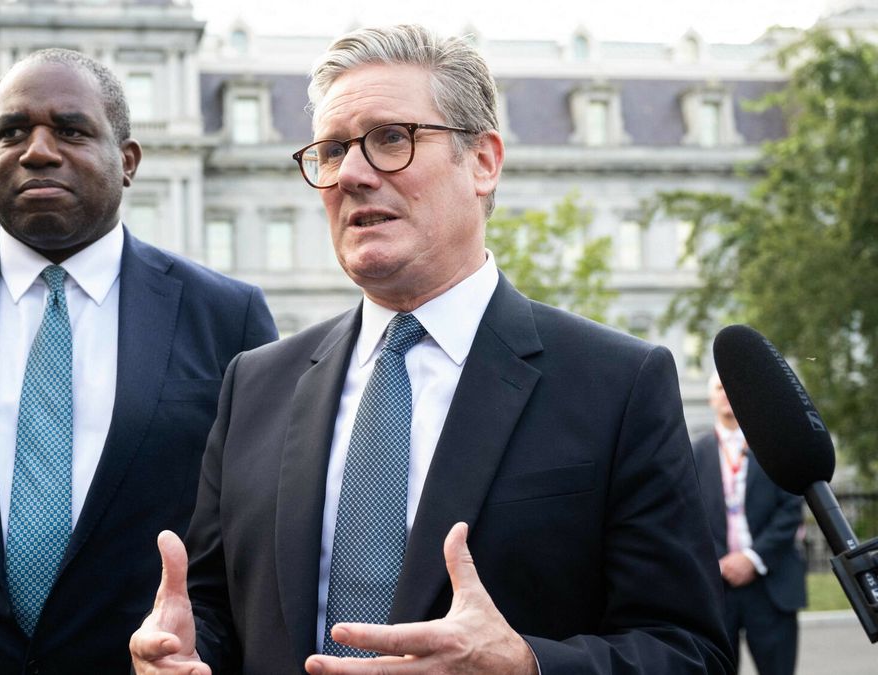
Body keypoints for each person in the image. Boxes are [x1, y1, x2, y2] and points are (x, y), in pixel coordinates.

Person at [131, 24, 732, 675]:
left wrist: (526, 665)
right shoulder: (255, 384)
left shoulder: (617, 383)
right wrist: (183, 652)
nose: (351, 174)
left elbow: (690, 651)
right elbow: (219, 609)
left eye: (391, 138)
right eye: (331, 150)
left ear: (483, 162)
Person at [0, 48, 277, 674]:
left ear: (128, 161)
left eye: (71, 130)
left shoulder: (227, 318)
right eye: (11, 132)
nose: (36, 151)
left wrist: (199, 657)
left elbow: (249, 551)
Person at [693, 371, 806, 675]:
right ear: (710, 397)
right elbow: (686, 515)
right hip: (716, 589)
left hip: (771, 585)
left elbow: (791, 509)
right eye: (720, 387)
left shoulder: (774, 448)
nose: (726, 394)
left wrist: (752, 559)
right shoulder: (693, 452)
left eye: (732, 387)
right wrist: (718, 563)